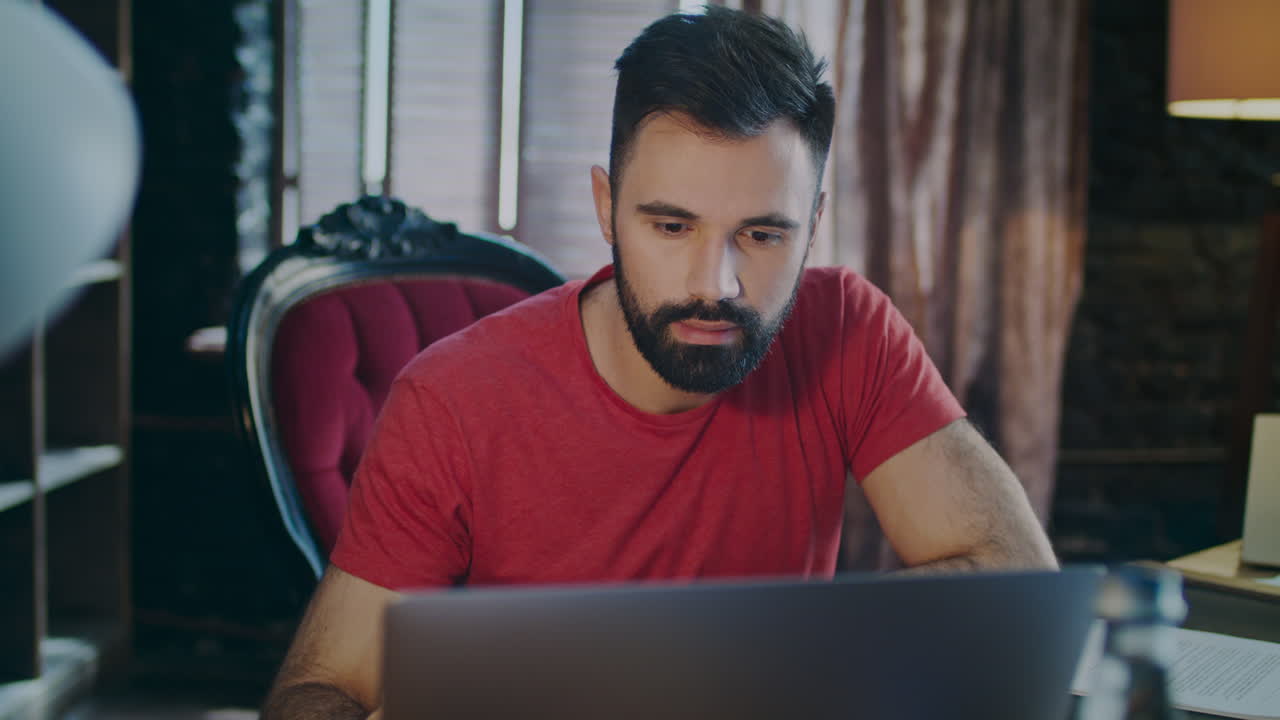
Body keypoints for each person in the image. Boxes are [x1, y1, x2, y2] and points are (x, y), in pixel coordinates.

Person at [261, 7, 1056, 719]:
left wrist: (727, 660)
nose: (716, 285)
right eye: (671, 228)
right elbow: (316, 692)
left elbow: (1015, 581)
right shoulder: (451, 398)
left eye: (763, 234)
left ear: (813, 224)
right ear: (606, 206)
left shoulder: (846, 328)